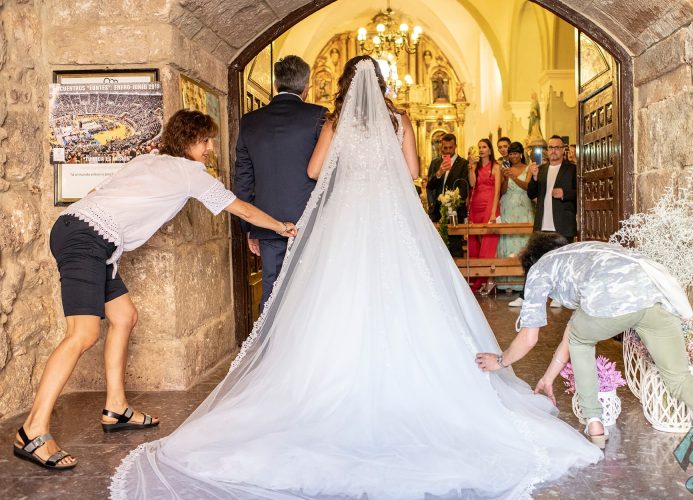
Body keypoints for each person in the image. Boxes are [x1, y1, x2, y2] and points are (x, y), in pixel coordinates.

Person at [110, 56, 602, 500]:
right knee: (410, 295)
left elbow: (315, 168)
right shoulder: (399, 119)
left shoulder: (334, 119)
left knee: (335, 298)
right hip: (392, 218)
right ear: (382, 84)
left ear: (344, 85)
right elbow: (411, 170)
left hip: (346, 216)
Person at [13, 110, 297, 471]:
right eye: (206, 140)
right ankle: (32, 430)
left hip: (86, 232)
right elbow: (239, 208)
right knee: (82, 335)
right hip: (89, 238)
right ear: (189, 140)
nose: (210, 147)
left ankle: (116, 408)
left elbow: (95, 192)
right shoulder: (191, 173)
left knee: (125, 316)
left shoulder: (148, 160)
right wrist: (281, 226)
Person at [476, 233, 693, 454]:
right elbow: (575, 327)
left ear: (532, 260)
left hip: (610, 304)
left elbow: (530, 336)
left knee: (582, 342)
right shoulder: (583, 251)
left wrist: (500, 361)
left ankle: (594, 423)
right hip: (654, 297)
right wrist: (549, 377)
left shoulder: (540, 269)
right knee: (679, 377)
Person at [234, 55, 327, 310]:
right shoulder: (318, 116)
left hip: (266, 223)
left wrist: (249, 226)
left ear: (276, 84)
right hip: (310, 222)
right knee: (312, 291)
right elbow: (327, 171)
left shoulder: (250, 121)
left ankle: (270, 349)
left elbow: (243, 178)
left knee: (272, 292)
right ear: (306, 86)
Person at [526, 135, 577, 307]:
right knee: (542, 260)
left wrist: (565, 194)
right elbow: (531, 194)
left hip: (562, 221)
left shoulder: (572, 169)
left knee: (563, 261)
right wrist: (533, 178)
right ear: (547, 151)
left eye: (557, 147)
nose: (553, 150)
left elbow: (582, 192)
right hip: (543, 222)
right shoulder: (542, 169)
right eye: (550, 147)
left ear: (563, 149)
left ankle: (561, 296)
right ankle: (541, 292)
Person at [497, 142, 534, 299]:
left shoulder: (529, 167)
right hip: (508, 206)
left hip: (523, 205)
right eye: (510, 154)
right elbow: (502, 191)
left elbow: (528, 187)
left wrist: (514, 178)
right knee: (508, 239)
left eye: (515, 153)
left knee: (523, 241)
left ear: (521, 154)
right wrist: (505, 179)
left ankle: (522, 281)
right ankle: (506, 282)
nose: (513, 156)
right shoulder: (505, 169)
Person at [468, 139, 502, 295]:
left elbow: (497, 192)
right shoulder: (476, 167)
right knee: (478, 240)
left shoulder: (496, 167)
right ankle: (479, 276)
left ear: (489, 150)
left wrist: (494, 212)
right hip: (476, 204)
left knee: (488, 241)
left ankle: (489, 279)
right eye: (479, 147)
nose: (481, 150)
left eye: (484, 147)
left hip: (489, 204)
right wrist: (470, 167)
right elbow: (473, 184)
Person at [426, 133, 469, 256]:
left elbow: (464, 189)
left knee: (454, 248)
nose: (448, 151)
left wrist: (452, 202)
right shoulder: (435, 163)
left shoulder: (463, 164)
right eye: (445, 148)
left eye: (451, 148)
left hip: (455, 211)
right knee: (436, 247)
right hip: (437, 211)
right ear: (441, 147)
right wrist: (439, 173)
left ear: (455, 146)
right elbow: (429, 186)